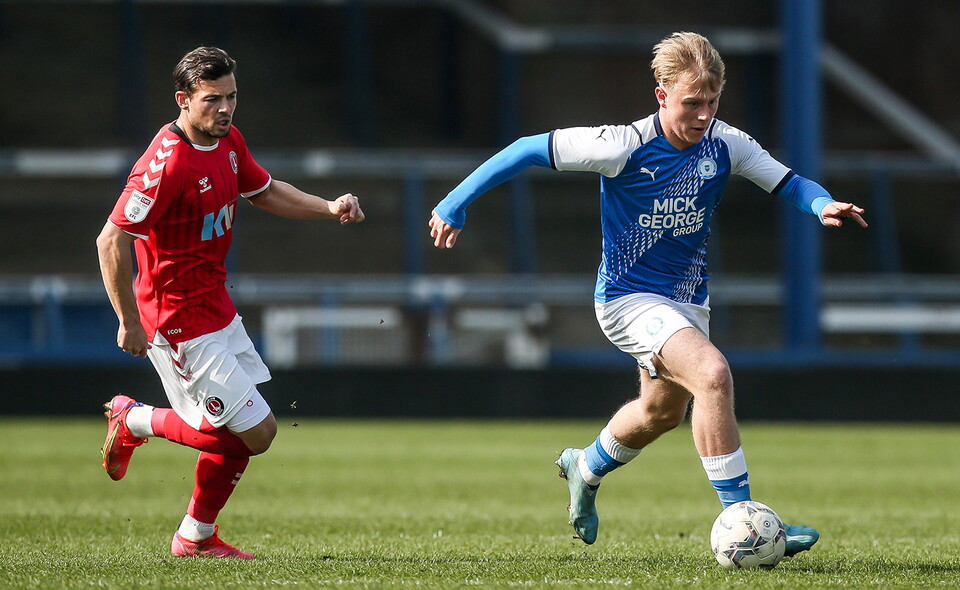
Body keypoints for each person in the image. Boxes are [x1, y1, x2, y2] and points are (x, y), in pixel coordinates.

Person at [427, 32, 866, 554]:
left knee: (661, 413)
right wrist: (454, 203)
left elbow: (789, 182)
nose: (704, 114)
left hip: (686, 303)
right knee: (713, 374)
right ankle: (747, 521)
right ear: (662, 95)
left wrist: (822, 205)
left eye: (711, 102)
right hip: (627, 299)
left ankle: (583, 468)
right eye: (691, 103)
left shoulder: (727, 144)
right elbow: (526, 150)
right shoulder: (622, 145)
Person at [96, 46, 364, 559]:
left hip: (215, 305)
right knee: (256, 432)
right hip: (176, 320)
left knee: (242, 432)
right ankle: (132, 419)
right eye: (213, 99)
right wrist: (128, 321)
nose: (226, 108)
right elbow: (110, 241)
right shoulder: (164, 164)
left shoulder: (229, 140)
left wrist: (329, 207)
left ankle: (194, 537)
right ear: (183, 99)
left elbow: (265, 192)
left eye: (232, 97)